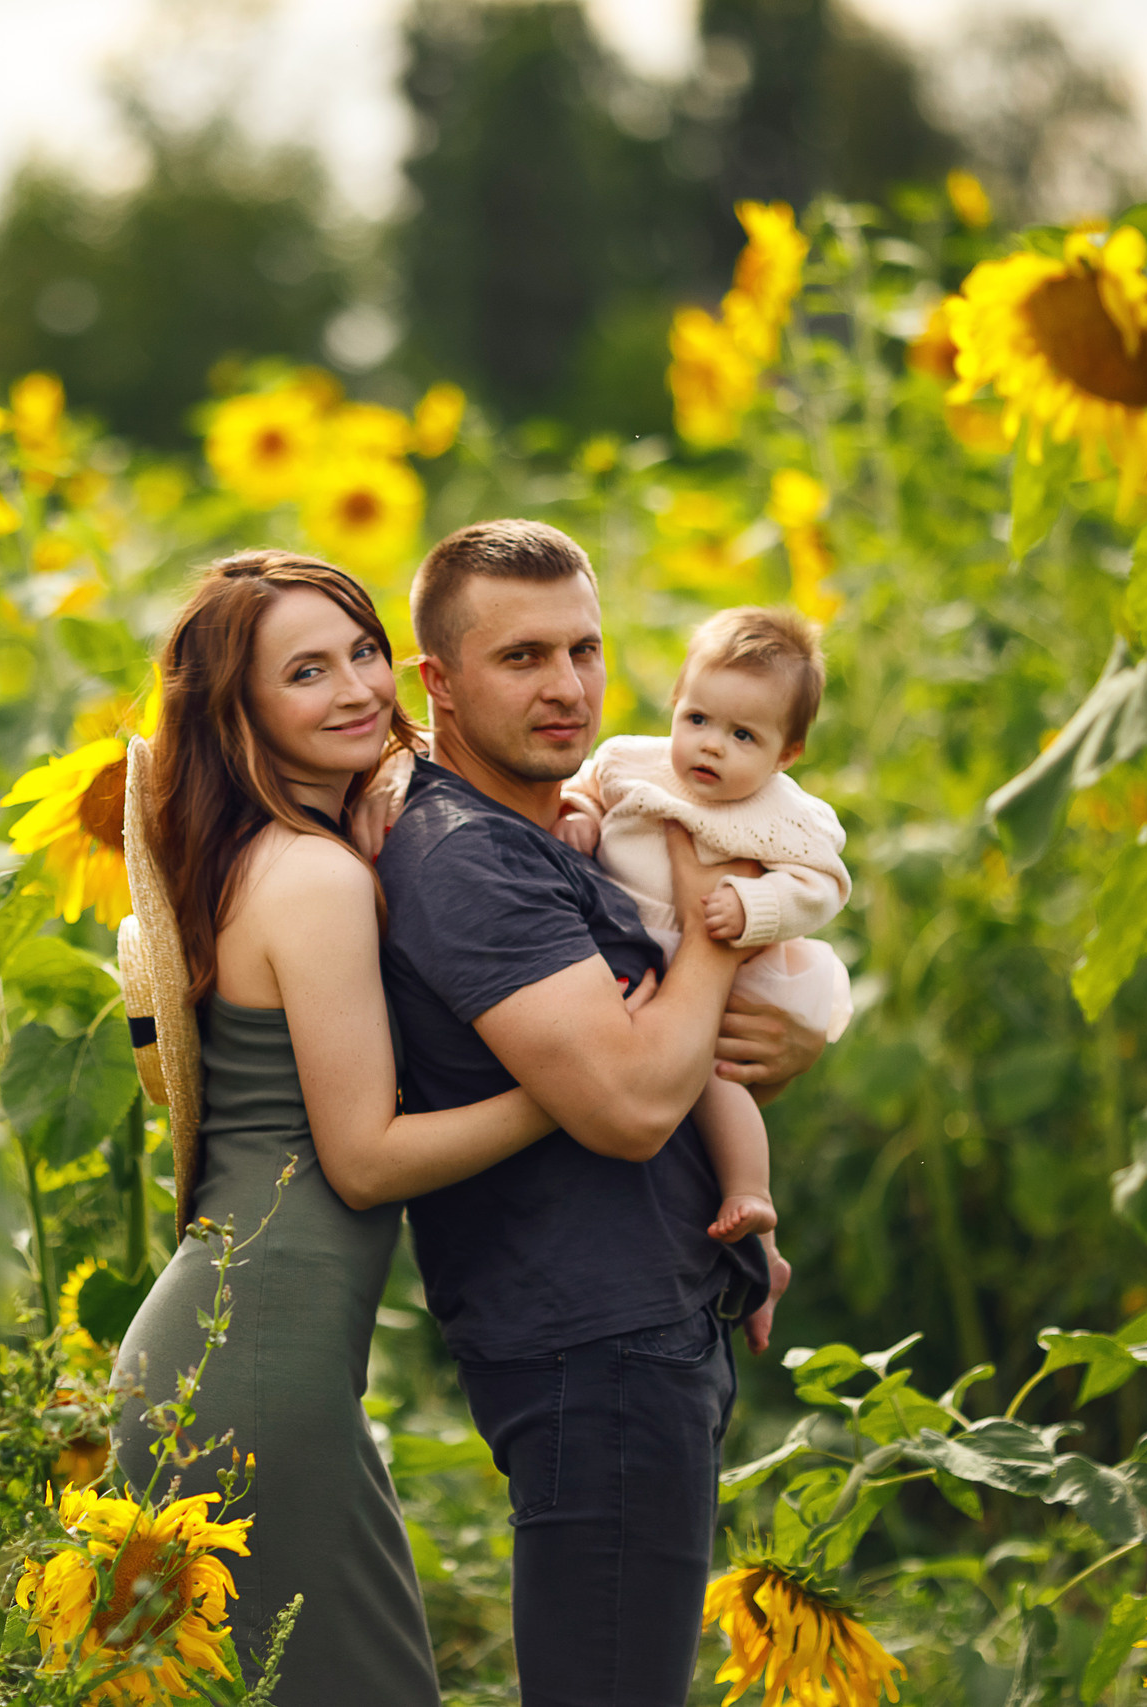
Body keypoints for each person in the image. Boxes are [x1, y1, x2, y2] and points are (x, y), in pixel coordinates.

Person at [110, 549, 656, 1706]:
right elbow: (363, 1163)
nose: (359, 688)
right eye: (306, 671)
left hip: (234, 1351)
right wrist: (567, 1086)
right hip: (259, 1368)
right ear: (242, 711)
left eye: (362, 650)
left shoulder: (268, 854)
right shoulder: (313, 881)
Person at [372, 518, 817, 1706]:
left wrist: (764, 1043)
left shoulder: (547, 827)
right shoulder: (467, 858)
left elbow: (663, 1049)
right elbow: (625, 1102)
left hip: (641, 1327)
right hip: (593, 1344)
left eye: (585, 650)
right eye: (521, 658)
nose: (567, 687)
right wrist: (721, 917)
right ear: (440, 682)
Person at [555, 603, 854, 1244]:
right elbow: (586, 786)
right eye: (697, 719)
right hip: (640, 954)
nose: (712, 744)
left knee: (715, 1082)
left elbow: (823, 886)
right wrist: (578, 812)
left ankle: (751, 1196)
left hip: (732, 969)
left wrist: (755, 907)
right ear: (675, 703)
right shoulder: (631, 761)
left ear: (787, 753)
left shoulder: (784, 814)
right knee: (637, 1065)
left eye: (744, 736)